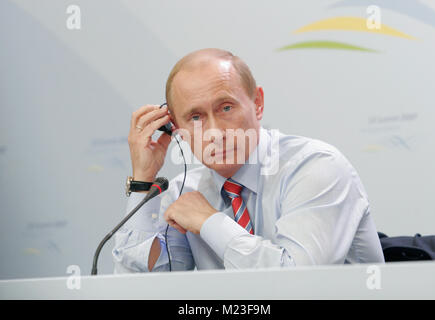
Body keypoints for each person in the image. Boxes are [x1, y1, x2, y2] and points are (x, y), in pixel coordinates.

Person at [112, 48, 384, 273]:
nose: (215, 133)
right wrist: (142, 181)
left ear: (258, 103)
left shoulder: (317, 168)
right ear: (176, 128)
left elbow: (299, 284)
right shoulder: (186, 191)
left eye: (226, 108)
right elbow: (144, 286)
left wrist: (210, 222)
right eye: (195, 118)